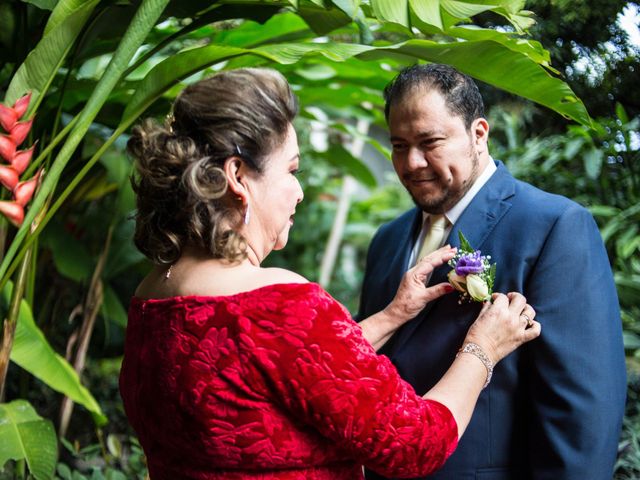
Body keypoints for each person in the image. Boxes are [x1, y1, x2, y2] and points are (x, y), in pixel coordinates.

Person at [119, 67, 540, 480]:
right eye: (291, 171)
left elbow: (282, 374)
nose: (299, 191)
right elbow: (414, 444)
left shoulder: (151, 297)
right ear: (238, 177)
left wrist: (394, 314)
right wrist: (482, 348)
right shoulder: (281, 304)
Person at [358, 63, 626, 480]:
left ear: (478, 133)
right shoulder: (386, 241)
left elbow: (581, 410)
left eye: (430, 142)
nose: (411, 163)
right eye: (398, 145)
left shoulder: (554, 226)